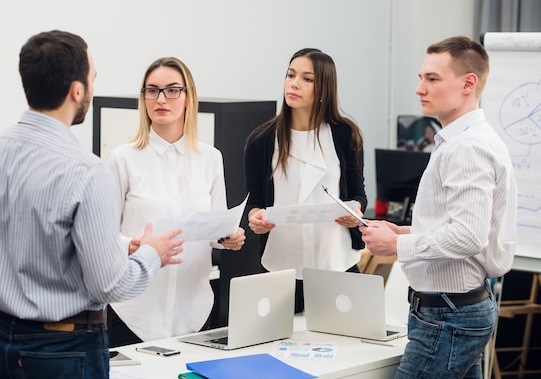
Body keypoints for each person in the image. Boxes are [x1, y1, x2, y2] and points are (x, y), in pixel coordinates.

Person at [0, 30, 184, 379]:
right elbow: (110, 286)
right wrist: (152, 253)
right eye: (92, 79)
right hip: (63, 352)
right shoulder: (87, 172)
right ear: (77, 91)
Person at [359, 36, 517, 379]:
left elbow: (468, 237)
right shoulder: (462, 141)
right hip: (454, 311)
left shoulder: (467, 147)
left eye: (432, 79)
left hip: (449, 316)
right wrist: (404, 231)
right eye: (420, 78)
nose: (419, 88)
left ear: (468, 83)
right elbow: (458, 226)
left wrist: (396, 245)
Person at [105, 56, 246, 344]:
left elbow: (215, 230)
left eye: (172, 90)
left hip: (194, 310)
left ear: (187, 97)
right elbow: (101, 234)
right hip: (133, 312)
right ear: (143, 98)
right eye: (152, 90)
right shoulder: (123, 159)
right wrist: (131, 244)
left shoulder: (210, 158)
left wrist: (228, 237)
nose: (161, 99)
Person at [244, 48, 367, 313]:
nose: (294, 83)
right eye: (291, 75)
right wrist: (256, 217)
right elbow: (254, 201)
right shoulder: (262, 139)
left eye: (307, 79)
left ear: (324, 89)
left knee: (345, 346)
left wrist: (354, 210)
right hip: (281, 264)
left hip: (336, 261)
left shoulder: (345, 134)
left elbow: (358, 193)